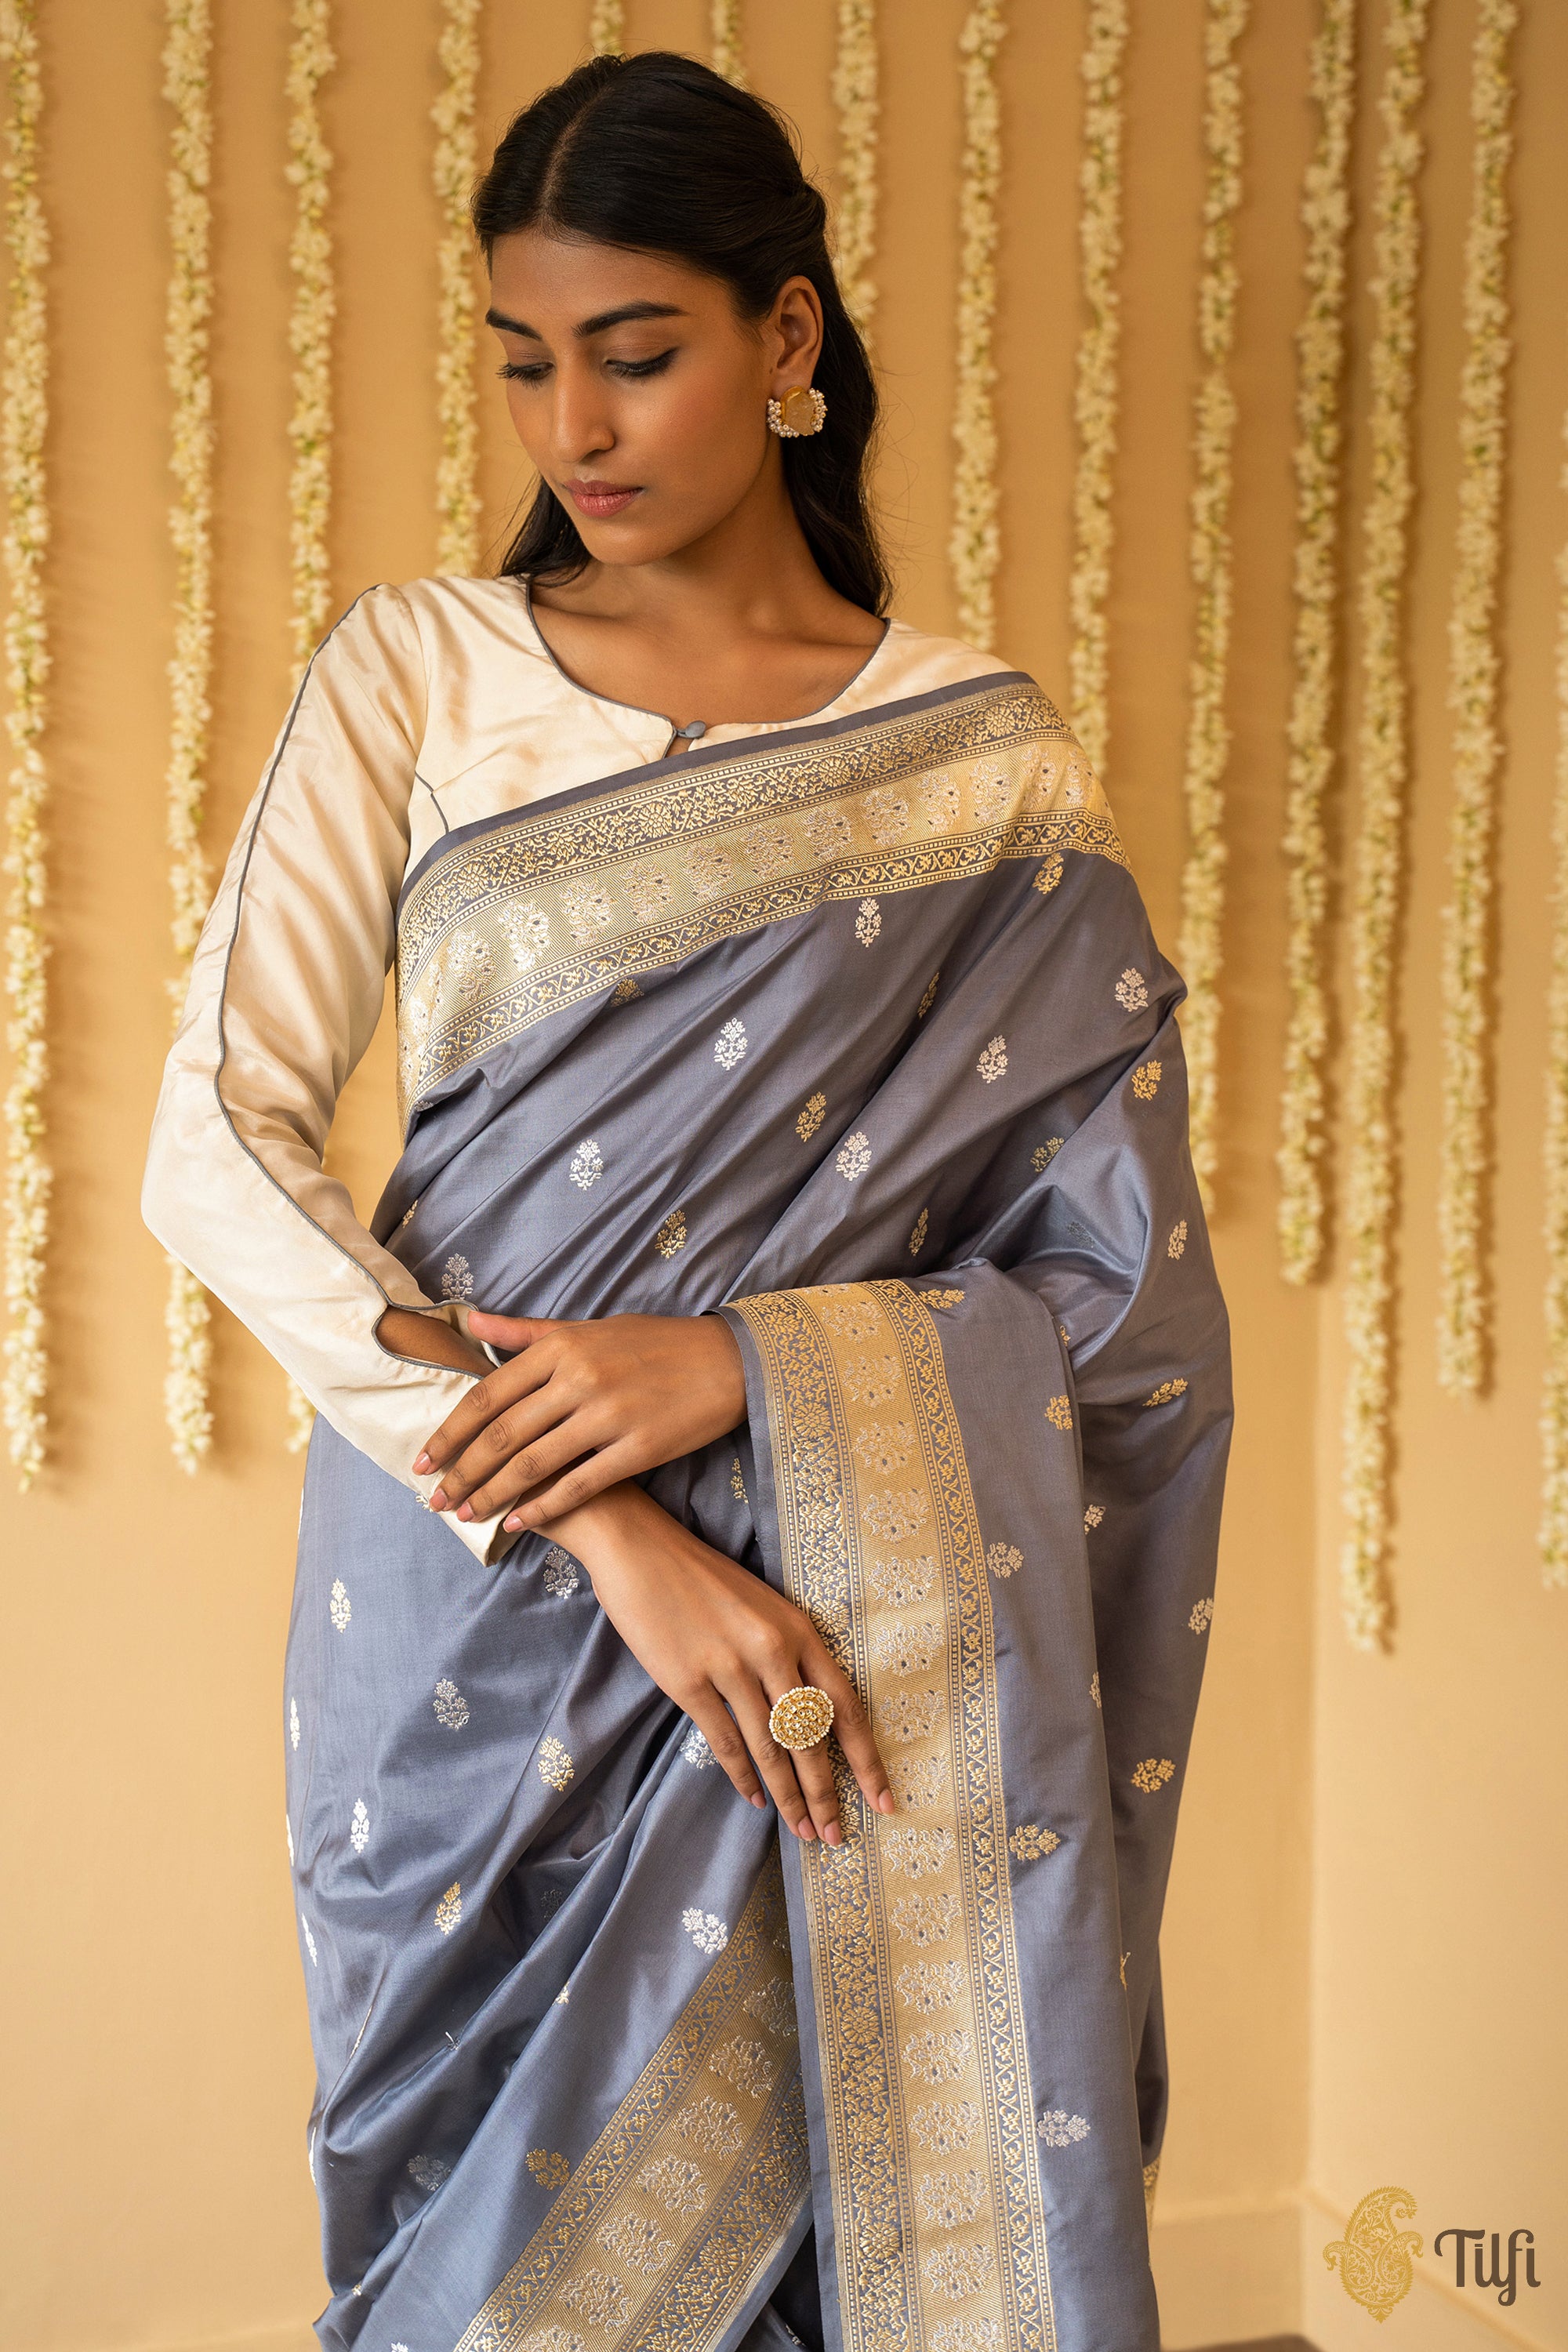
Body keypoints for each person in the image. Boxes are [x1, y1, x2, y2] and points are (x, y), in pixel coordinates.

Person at [142, 49, 1230, 2352]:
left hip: (863, 1634)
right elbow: (215, 1149)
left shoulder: (984, 767)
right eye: (524, 363)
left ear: (789, 335)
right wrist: (612, 1533)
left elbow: (1113, 1308)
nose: (578, 428)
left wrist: (742, 1371)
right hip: (484, 1610)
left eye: (636, 353)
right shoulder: (421, 675)